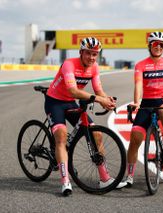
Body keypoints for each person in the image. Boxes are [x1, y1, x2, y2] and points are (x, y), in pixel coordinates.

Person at [45, 37, 118, 196]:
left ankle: (104, 177)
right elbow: (73, 91)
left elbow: (98, 90)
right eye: (88, 54)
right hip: (55, 102)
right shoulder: (69, 64)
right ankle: (65, 181)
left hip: (70, 103)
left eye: (95, 54)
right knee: (61, 137)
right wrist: (99, 100)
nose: (91, 57)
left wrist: (106, 99)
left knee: (96, 134)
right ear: (81, 52)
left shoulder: (94, 67)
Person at [122, 31, 163, 187]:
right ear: (149, 46)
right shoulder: (141, 65)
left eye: (162, 45)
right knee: (135, 138)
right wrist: (137, 102)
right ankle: (129, 177)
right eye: (155, 44)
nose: (158, 47)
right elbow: (138, 84)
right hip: (146, 103)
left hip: (162, 100)